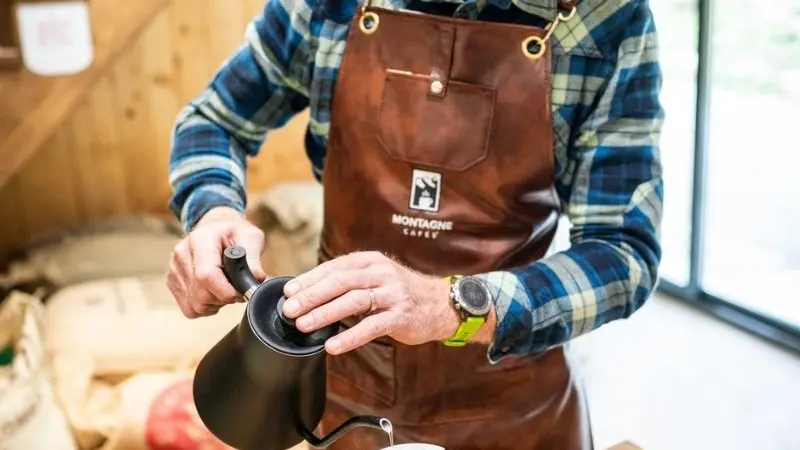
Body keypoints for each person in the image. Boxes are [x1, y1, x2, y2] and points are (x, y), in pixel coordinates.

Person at [165, 0, 664, 447]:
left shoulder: (608, 19)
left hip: (512, 405)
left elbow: (623, 254)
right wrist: (214, 211)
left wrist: (453, 304)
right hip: (345, 392)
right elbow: (214, 120)